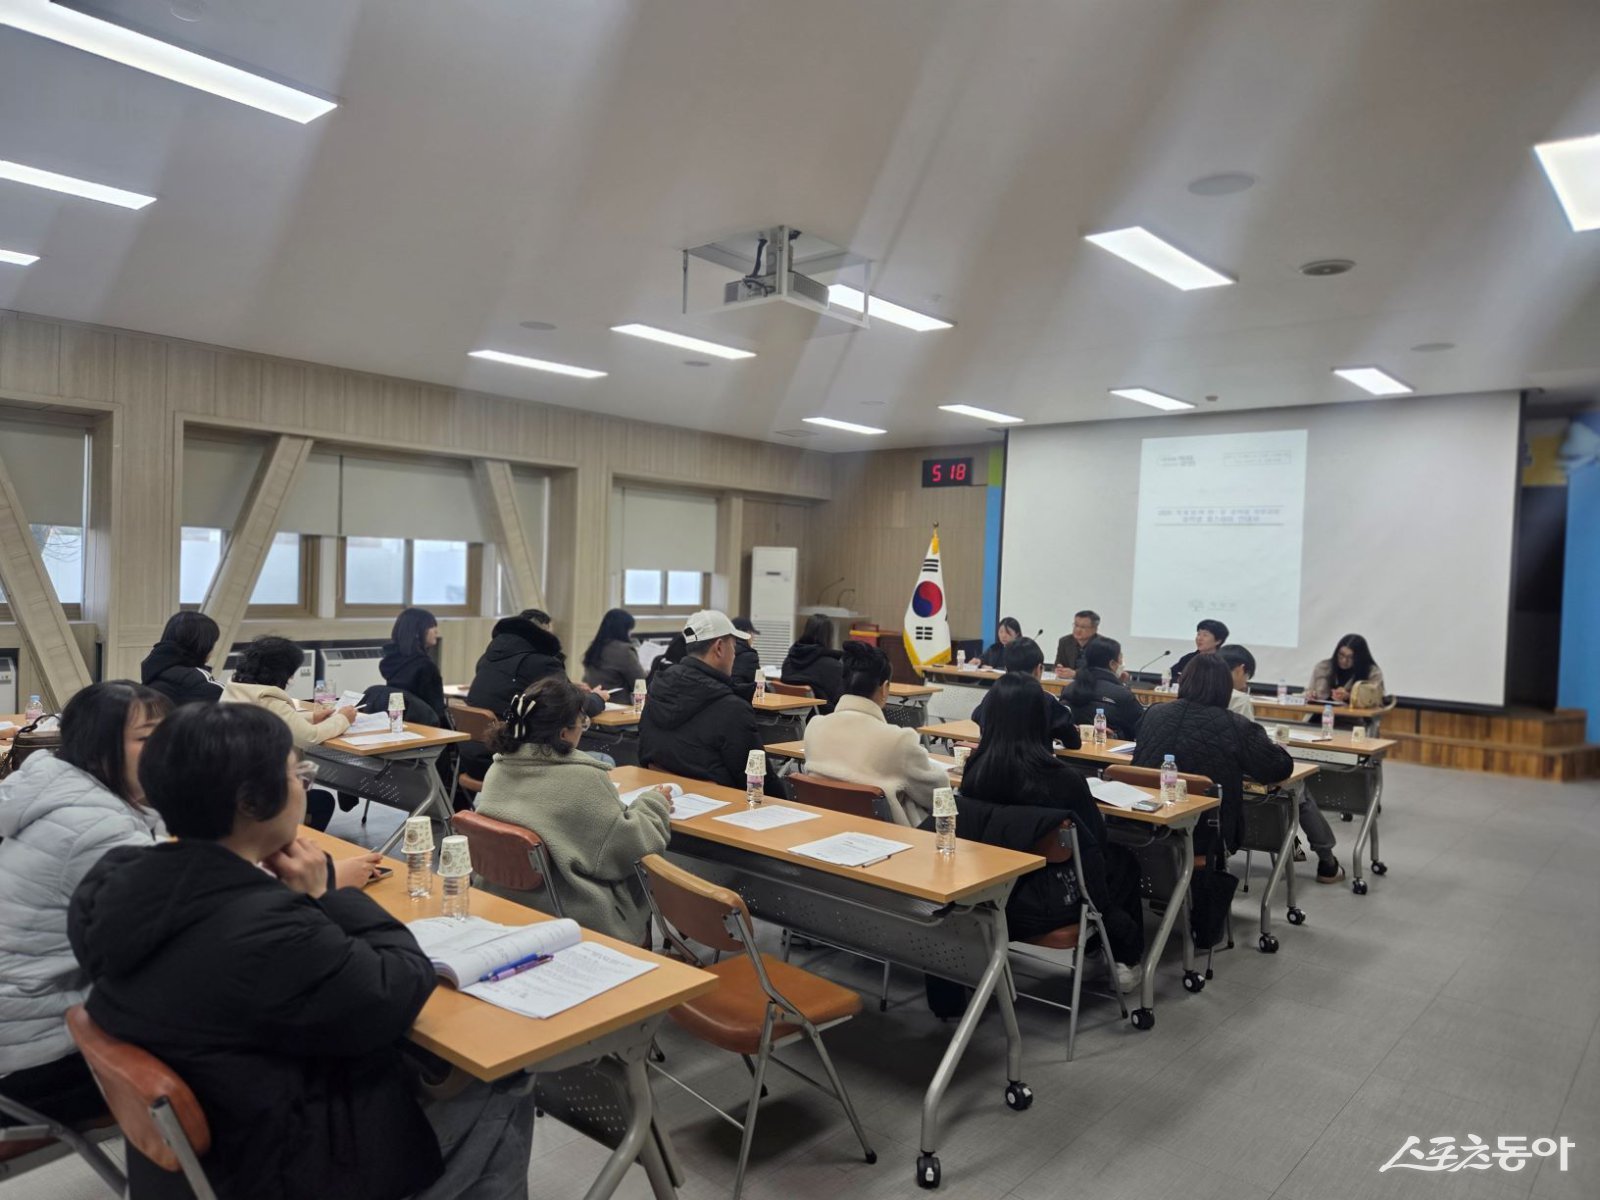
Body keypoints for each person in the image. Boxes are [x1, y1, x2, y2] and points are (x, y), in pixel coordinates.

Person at [67, 703, 535, 1200]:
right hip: (285, 1165)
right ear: (251, 801)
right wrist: (329, 896)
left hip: (202, 1156)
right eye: (298, 774)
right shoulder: (265, 929)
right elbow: (399, 985)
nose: (304, 786)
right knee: (501, 1080)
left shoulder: (115, 879)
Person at [0, 682, 170, 1128]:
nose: (168, 751)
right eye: (148, 738)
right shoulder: (95, 827)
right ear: (97, 750)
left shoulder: (52, 788)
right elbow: (188, 925)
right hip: (31, 1054)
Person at [958, 673, 1145, 989]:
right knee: (1122, 862)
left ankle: (1100, 950)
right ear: (1040, 718)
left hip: (988, 892)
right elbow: (1093, 842)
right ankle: (1123, 958)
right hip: (1047, 901)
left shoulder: (975, 770)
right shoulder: (1062, 778)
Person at [475, 677, 670, 942]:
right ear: (564, 733)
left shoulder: (497, 769)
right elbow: (632, 850)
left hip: (500, 904)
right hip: (572, 916)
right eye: (582, 722)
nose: (583, 729)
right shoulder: (585, 779)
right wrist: (653, 804)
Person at [1132, 655, 1292, 858]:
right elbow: (1278, 768)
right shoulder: (1237, 725)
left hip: (1146, 819)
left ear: (1184, 681)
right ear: (1225, 688)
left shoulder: (1154, 713)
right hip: (1207, 830)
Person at [803, 640, 950, 827]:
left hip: (821, 833)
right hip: (888, 842)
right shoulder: (898, 740)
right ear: (885, 688)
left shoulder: (814, 728)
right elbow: (938, 794)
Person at [223, 636, 356, 830]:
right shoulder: (267, 699)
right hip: (262, 792)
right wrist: (343, 718)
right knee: (322, 801)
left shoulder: (235, 689)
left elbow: (272, 721)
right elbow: (310, 737)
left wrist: (312, 717)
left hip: (232, 786)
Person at [638, 610, 762, 790]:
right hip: (721, 807)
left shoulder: (657, 690)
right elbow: (756, 780)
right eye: (733, 646)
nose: (735, 654)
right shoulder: (732, 709)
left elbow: (643, 753)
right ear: (719, 647)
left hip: (664, 799)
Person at [467, 610, 603, 721]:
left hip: (474, 746)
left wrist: (570, 687)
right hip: (513, 747)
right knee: (602, 756)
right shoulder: (541, 663)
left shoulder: (488, 658)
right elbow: (569, 705)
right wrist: (598, 698)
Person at [971, 638, 1082, 749]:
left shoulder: (992, 696)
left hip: (991, 765)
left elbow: (977, 717)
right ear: (1038, 669)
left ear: (1006, 669)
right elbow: (1073, 742)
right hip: (1035, 765)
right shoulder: (1045, 701)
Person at [1061, 637, 1145, 739]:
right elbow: (1143, 727)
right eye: (1121, 659)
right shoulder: (1122, 695)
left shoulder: (1069, 688)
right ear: (1112, 664)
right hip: (1110, 750)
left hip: (1071, 751)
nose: (1122, 663)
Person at [139, 612, 225, 708]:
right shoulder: (195, 679)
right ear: (203, 645)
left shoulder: (153, 669)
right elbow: (230, 702)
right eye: (212, 643)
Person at [380, 607, 446, 722]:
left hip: (401, 723)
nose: (436, 631)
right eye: (431, 626)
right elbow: (437, 711)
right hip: (428, 728)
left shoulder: (392, 662)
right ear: (417, 632)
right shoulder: (427, 667)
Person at [781, 613, 844, 714]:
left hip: (790, 723)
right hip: (822, 723)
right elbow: (841, 701)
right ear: (829, 636)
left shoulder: (789, 660)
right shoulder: (833, 666)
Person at [582, 608, 646, 699]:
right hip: (619, 705)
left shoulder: (595, 646)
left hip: (593, 701)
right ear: (624, 630)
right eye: (629, 629)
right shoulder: (625, 651)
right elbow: (640, 683)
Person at [1308, 634, 1386, 703]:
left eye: (1350, 657)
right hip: (1319, 715)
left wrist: (1349, 697)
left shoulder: (1372, 672)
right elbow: (1310, 691)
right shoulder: (1323, 667)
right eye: (1341, 655)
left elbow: (1376, 700)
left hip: (1355, 718)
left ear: (1360, 658)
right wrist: (1311, 695)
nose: (1344, 660)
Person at [1053, 610, 1100, 678]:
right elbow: (1058, 663)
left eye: (1083, 627)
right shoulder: (1065, 642)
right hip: (1068, 684)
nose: (1078, 630)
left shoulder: (1103, 645)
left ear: (1094, 629)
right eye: (1076, 625)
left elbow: (1100, 672)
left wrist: (1076, 674)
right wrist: (1060, 669)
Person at [1219, 644, 1257, 718]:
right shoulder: (1240, 700)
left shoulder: (1197, 692)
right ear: (1240, 670)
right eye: (1247, 676)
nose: (1245, 684)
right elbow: (1247, 729)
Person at [730, 617, 762, 686]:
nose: (754, 638)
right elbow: (761, 685)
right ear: (747, 633)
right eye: (752, 633)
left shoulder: (723, 651)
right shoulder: (750, 657)